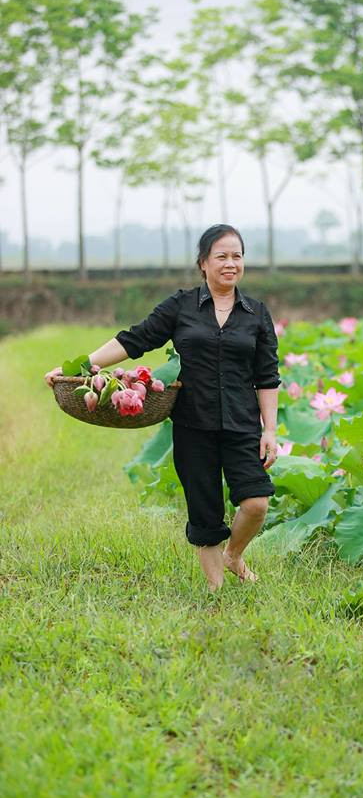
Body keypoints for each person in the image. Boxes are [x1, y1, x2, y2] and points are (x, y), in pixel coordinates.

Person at [45, 224, 280, 591]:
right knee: (205, 513)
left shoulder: (256, 314)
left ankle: (235, 554)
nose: (230, 263)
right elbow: (134, 339)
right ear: (203, 263)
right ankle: (215, 593)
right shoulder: (182, 306)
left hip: (241, 423)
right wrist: (78, 366)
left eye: (237, 256)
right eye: (221, 256)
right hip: (192, 423)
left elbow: (267, 377)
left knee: (256, 503)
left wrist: (270, 430)